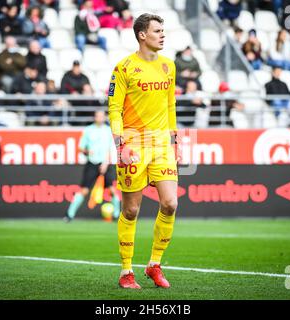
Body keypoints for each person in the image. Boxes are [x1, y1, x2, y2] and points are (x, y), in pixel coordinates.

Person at [108, 13, 180, 289]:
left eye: (163, 30)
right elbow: (114, 108)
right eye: (157, 31)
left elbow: (170, 104)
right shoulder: (124, 68)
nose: (163, 35)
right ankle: (126, 271)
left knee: (170, 203)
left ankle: (154, 264)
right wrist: (121, 145)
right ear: (142, 35)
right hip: (134, 144)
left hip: (162, 144)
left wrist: (174, 139)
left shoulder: (168, 66)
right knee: (131, 210)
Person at [65, 110, 120, 221]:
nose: (100, 118)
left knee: (112, 190)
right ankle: (69, 215)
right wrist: (87, 152)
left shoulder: (109, 131)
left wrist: (105, 163)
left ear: (104, 117)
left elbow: (111, 148)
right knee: (84, 190)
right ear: (94, 117)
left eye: (102, 116)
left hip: (106, 163)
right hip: (92, 163)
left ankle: (117, 215)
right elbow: (81, 148)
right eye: (97, 116)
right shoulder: (88, 130)